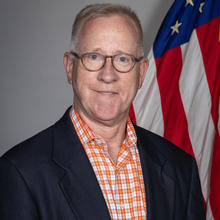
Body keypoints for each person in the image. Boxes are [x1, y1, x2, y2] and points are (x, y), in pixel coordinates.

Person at [0, 3, 205, 220]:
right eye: (94, 57)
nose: (108, 75)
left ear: (142, 73)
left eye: (123, 59)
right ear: (70, 67)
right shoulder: (21, 172)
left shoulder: (181, 168)